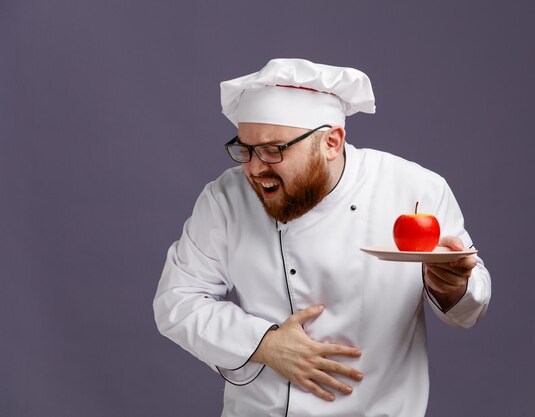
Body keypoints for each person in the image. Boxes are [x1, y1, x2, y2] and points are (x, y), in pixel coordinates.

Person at [153, 58, 491, 417]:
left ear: (331, 142)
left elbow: (470, 309)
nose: (253, 168)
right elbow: (177, 300)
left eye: (273, 150)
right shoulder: (226, 198)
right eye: (245, 149)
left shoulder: (413, 188)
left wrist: (452, 285)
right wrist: (264, 344)